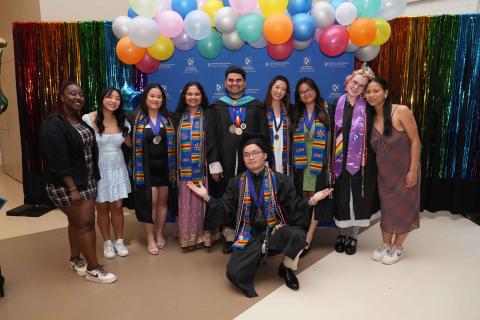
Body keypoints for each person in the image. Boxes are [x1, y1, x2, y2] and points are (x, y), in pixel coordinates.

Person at [187, 134, 333, 298]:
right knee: (234, 274)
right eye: (246, 154)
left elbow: (295, 207)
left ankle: (287, 267)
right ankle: (255, 256)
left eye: (255, 153)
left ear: (264, 155)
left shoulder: (280, 180)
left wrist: (312, 200)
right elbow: (225, 208)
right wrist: (207, 197)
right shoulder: (236, 182)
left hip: (275, 230)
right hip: (248, 234)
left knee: (297, 235)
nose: (251, 157)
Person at [40, 82, 117, 284]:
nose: (77, 97)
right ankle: (93, 269)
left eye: (81, 94)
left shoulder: (78, 121)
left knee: (76, 222)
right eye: (72, 94)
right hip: (67, 184)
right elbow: (57, 159)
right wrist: (72, 187)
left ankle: (75, 259)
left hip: (87, 180)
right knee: (85, 224)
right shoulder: (54, 123)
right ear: (62, 96)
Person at [207, 66, 269, 254]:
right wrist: (214, 164)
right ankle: (229, 235)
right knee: (226, 197)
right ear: (225, 83)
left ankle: (248, 233)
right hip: (224, 163)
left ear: (245, 83)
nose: (235, 84)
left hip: (249, 162)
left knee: (250, 195)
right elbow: (211, 137)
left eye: (239, 80)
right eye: (231, 80)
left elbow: (263, 135)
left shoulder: (255, 106)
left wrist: (263, 161)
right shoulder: (217, 106)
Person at [367, 77, 421, 265]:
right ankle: (385, 243)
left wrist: (413, 170)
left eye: (376, 91)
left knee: (404, 210)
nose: (371, 95)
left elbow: (415, 141)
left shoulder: (401, 111)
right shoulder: (371, 118)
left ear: (386, 93)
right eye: (368, 92)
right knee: (388, 209)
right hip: (385, 174)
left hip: (405, 170)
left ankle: (397, 247)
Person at [330, 68, 378, 255]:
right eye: (354, 82)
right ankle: (342, 233)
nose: (356, 87)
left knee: (359, 197)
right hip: (340, 160)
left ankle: (355, 235)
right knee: (342, 196)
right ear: (348, 81)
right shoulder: (337, 104)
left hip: (362, 161)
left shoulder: (368, 107)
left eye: (362, 86)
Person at [127, 83, 176, 255]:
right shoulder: (134, 117)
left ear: (163, 99)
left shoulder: (169, 118)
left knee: (163, 202)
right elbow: (127, 140)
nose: (155, 99)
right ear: (145, 98)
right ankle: (150, 237)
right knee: (151, 203)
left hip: (165, 169)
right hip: (145, 170)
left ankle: (160, 233)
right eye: (152, 96)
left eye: (159, 97)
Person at [82, 87, 131, 259]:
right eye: (110, 97)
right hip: (98, 168)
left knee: (117, 206)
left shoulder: (123, 121)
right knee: (102, 207)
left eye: (117, 98)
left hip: (118, 167)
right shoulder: (89, 118)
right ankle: (107, 243)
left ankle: (119, 241)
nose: (113, 101)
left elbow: (131, 144)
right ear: (102, 98)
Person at [291, 77, 333, 252]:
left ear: (315, 90)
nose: (306, 94)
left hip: (319, 163)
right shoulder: (295, 113)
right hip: (300, 163)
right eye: (302, 92)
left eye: (309, 90)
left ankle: (309, 237)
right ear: (298, 95)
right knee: (303, 198)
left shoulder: (327, 111)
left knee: (317, 199)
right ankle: (301, 232)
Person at [174, 82, 218, 249]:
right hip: (183, 170)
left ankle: (204, 236)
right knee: (186, 202)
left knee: (202, 201)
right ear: (184, 96)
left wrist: (214, 167)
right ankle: (188, 237)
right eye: (189, 94)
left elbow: (214, 141)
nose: (193, 97)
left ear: (202, 96)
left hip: (203, 169)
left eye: (197, 94)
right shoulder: (177, 116)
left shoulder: (209, 114)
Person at [263, 75, 293, 175]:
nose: (279, 91)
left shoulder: (290, 110)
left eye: (283, 89)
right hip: (269, 154)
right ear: (271, 87)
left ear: (285, 93)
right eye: (277, 87)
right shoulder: (261, 109)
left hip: (286, 154)